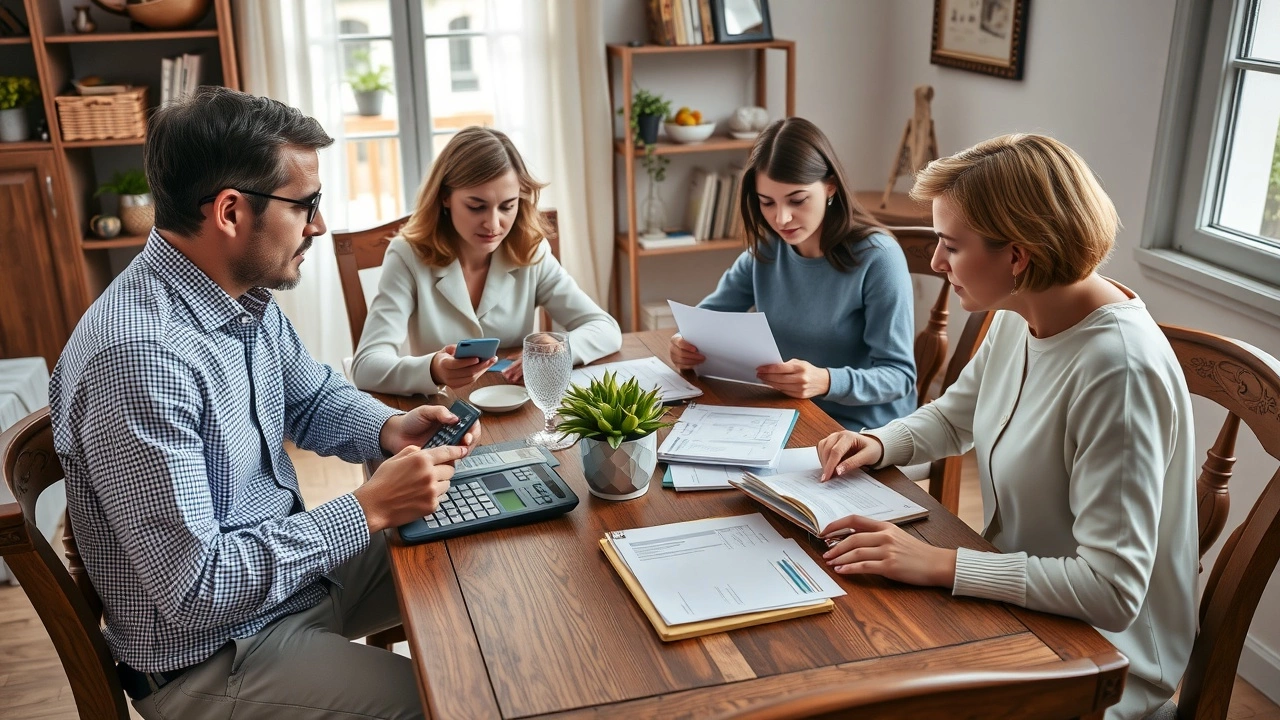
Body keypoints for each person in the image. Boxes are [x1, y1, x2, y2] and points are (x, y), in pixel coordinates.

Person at [49, 87, 479, 720]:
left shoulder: (239, 297)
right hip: (214, 653)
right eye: (306, 205)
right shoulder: (139, 359)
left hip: (284, 587)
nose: (320, 225)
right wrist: (365, 510)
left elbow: (311, 398)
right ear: (230, 211)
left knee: (482, 550)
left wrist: (390, 429)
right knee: (459, 704)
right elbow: (197, 589)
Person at [815, 134, 1197, 719]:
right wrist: (878, 441)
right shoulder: (1028, 308)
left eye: (950, 246)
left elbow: (1113, 592)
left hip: (1103, 662)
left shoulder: (1117, 371)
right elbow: (958, 412)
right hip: (1017, 606)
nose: (938, 264)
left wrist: (938, 563)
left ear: (1017, 255)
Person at [668, 117, 916, 431]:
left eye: (797, 200)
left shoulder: (878, 258)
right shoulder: (768, 250)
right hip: (785, 413)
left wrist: (825, 380)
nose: (781, 218)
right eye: (767, 203)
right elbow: (704, 320)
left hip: (861, 429)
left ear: (830, 186)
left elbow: (899, 377)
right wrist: (683, 344)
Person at [351, 126, 621, 396]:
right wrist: (433, 369)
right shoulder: (407, 255)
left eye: (507, 206)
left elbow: (606, 329)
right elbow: (366, 366)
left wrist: (560, 348)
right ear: (445, 197)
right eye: (476, 206)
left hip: (517, 408)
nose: (493, 224)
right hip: (439, 412)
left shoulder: (531, 249)